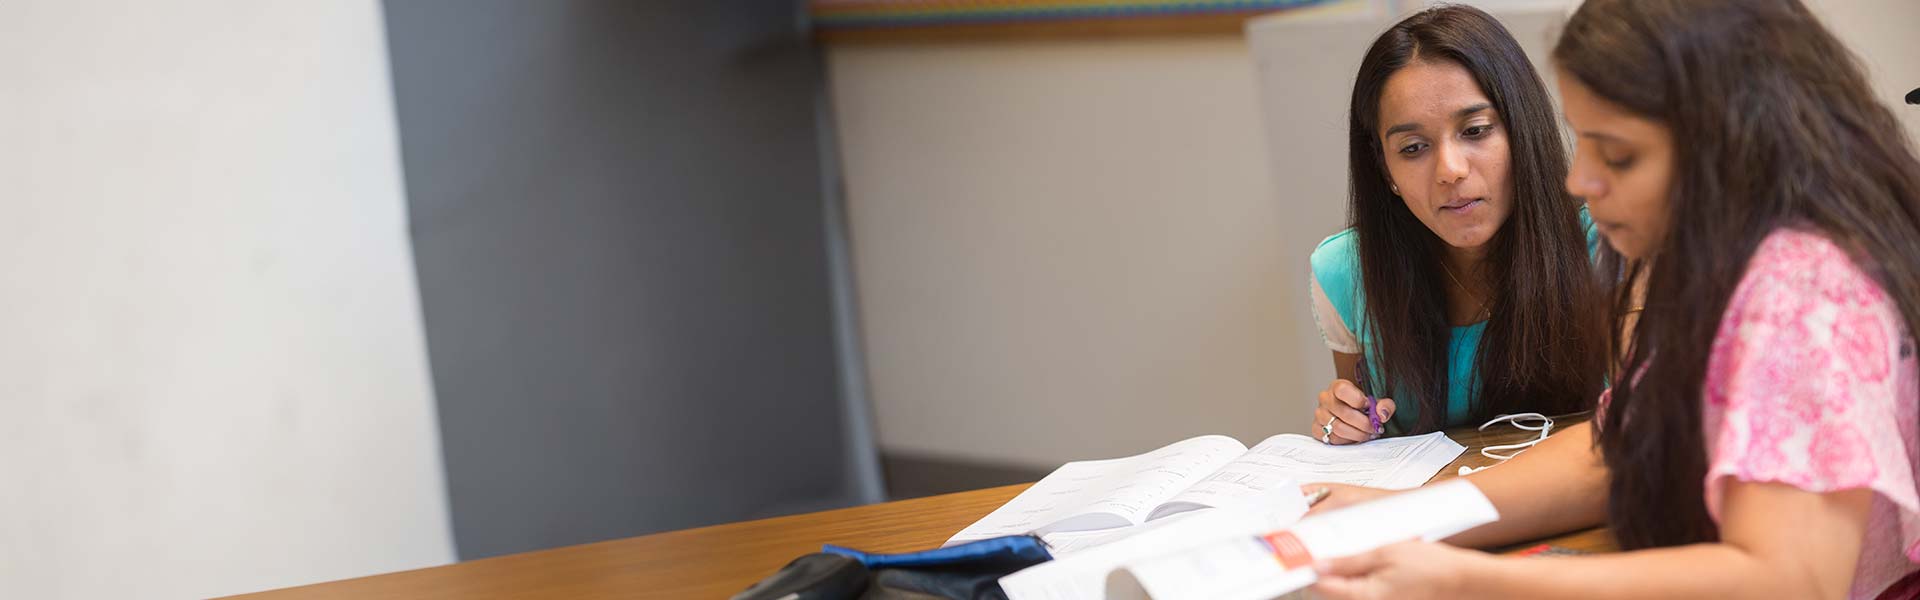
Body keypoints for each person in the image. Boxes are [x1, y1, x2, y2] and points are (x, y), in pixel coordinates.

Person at [1308, 1, 1920, 597]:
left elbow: (1792, 580)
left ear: (1730, 141)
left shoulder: (1802, 294)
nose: (1578, 180)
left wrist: (1467, 582)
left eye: (1618, 154)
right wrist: (1402, 515)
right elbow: (1620, 444)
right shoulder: (1730, 266)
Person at [1310, 5, 1606, 445]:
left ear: (1520, 129)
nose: (1450, 170)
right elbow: (1369, 437)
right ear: (1384, 169)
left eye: (1475, 131)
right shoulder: (1344, 271)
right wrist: (1347, 420)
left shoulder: (1605, 242)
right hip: (1431, 508)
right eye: (1413, 148)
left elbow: (1636, 432)